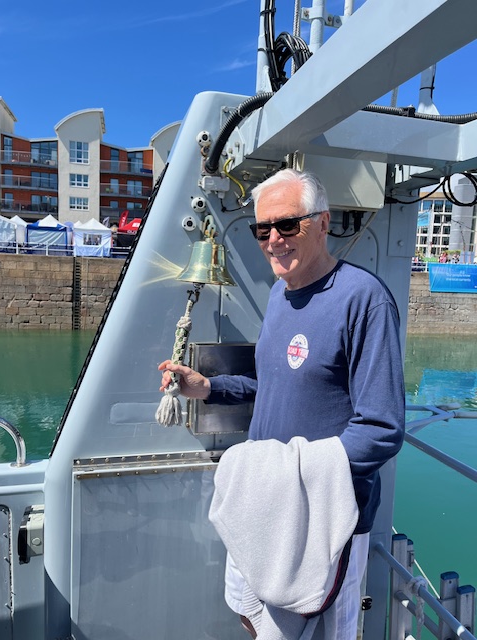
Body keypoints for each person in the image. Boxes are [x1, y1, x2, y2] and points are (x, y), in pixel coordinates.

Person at [159, 168, 405, 639]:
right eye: (262, 229)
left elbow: (382, 428)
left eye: (288, 224)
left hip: (327, 518)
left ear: (323, 223)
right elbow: (271, 383)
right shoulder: (279, 294)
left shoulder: (364, 300)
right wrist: (207, 388)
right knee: (252, 617)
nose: (274, 240)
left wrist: (292, 472)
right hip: (264, 503)